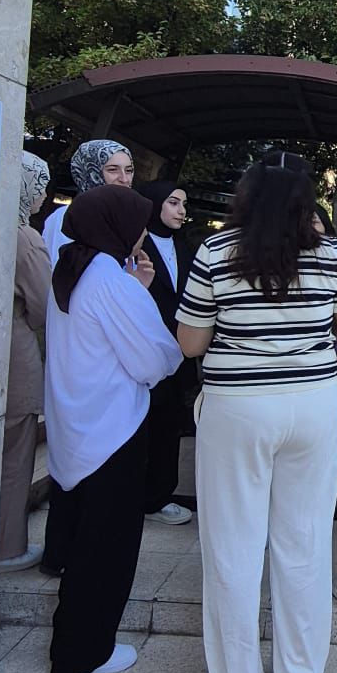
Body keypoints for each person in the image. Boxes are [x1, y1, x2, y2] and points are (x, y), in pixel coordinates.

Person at [177, 154, 337, 673]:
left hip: (238, 408)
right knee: (304, 543)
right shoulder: (331, 253)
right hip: (313, 404)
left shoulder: (215, 252)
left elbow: (190, 343)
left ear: (246, 198)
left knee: (232, 547)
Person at [43, 186, 183, 673]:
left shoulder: (71, 269)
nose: (142, 232)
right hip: (114, 431)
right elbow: (157, 359)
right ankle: (84, 653)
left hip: (76, 427)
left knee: (84, 540)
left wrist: (134, 287)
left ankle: (71, 641)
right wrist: (138, 293)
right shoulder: (110, 279)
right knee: (107, 549)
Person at [0, 152, 52, 571]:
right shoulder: (25, 237)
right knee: (16, 457)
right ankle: (7, 546)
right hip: (16, 354)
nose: (44, 195)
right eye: (40, 185)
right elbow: (44, 305)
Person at [135, 179, 197, 527]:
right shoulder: (135, 244)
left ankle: (159, 495)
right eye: (173, 203)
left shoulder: (184, 247)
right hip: (142, 348)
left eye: (183, 204)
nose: (181, 210)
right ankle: (135, 493)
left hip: (178, 350)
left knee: (169, 424)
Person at [42, 138, 134, 261]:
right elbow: (58, 268)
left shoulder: (124, 220)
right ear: (90, 172)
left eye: (128, 170)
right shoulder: (68, 218)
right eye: (113, 170)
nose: (124, 179)